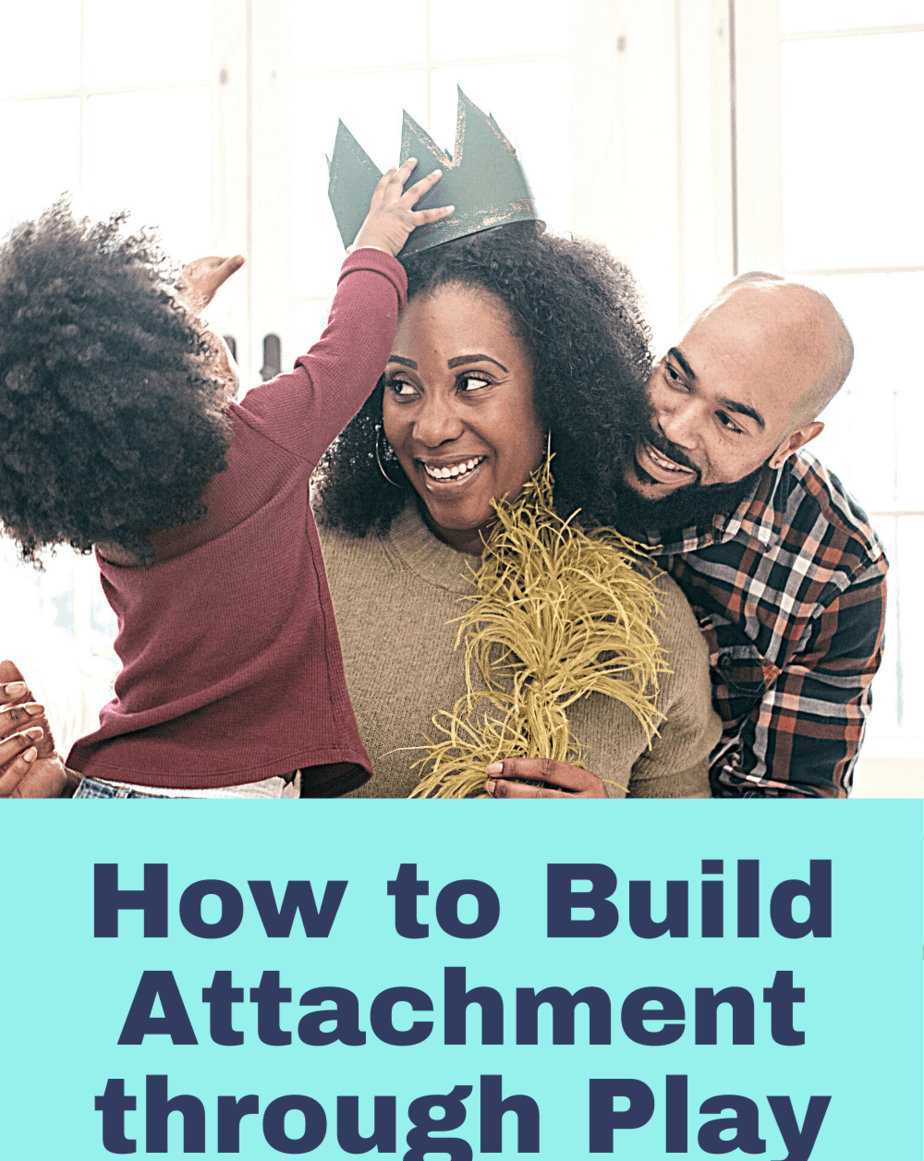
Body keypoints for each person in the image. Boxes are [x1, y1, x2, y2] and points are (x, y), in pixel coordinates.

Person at [0, 222, 722, 800]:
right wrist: (51, 799)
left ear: (561, 390)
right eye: (400, 386)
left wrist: (610, 858)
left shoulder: (649, 624)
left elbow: (702, 905)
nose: (431, 427)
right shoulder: (287, 557)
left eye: (472, 383)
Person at [0, 163, 452, 798]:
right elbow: (350, 349)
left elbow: (102, 381)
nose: (218, 345)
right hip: (232, 798)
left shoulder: (105, 509)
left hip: (116, 787)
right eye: (199, 339)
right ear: (175, 379)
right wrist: (372, 248)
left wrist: (174, 303)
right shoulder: (260, 444)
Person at [611, 273, 888, 798]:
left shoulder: (839, 569)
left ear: (791, 443)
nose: (675, 428)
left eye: (729, 422)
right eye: (676, 378)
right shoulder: (571, 412)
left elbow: (785, 819)